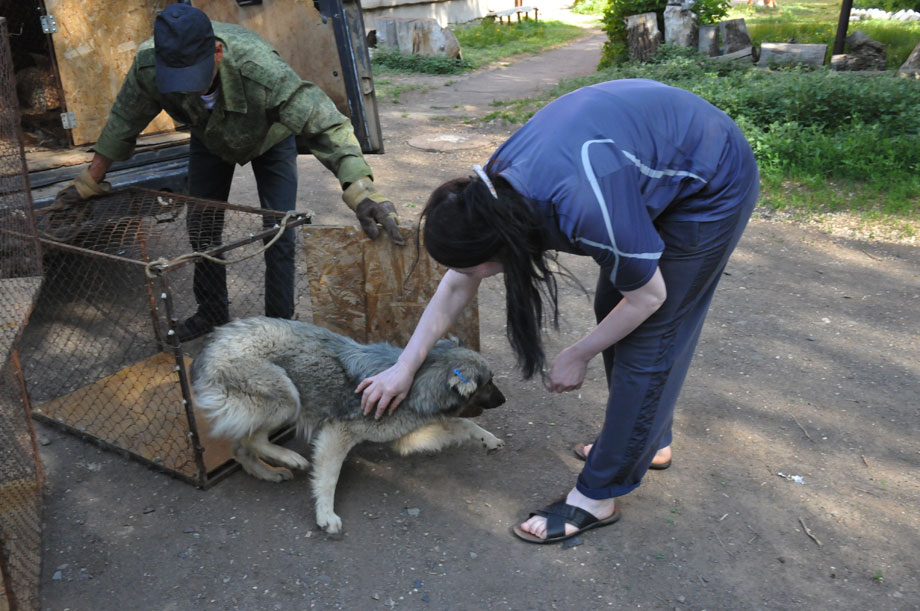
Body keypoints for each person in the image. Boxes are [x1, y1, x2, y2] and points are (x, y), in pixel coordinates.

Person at [357, 79, 760, 544]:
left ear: (502, 249)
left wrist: (579, 353)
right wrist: (403, 368)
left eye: (475, 267)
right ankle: (648, 442)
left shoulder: (584, 210)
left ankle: (598, 497)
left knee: (650, 337)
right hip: (640, 159)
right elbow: (457, 283)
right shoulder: (489, 193)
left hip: (711, 181)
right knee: (614, 304)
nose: (471, 276)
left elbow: (650, 298)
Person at [51, 3, 403, 341]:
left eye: (195, 75)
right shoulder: (149, 65)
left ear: (217, 52)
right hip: (209, 138)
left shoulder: (261, 69)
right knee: (201, 226)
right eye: (179, 79)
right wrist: (88, 182)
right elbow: (122, 122)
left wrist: (361, 191)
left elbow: (326, 125)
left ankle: (279, 327)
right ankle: (212, 312)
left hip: (270, 138)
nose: (189, 87)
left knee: (279, 230)